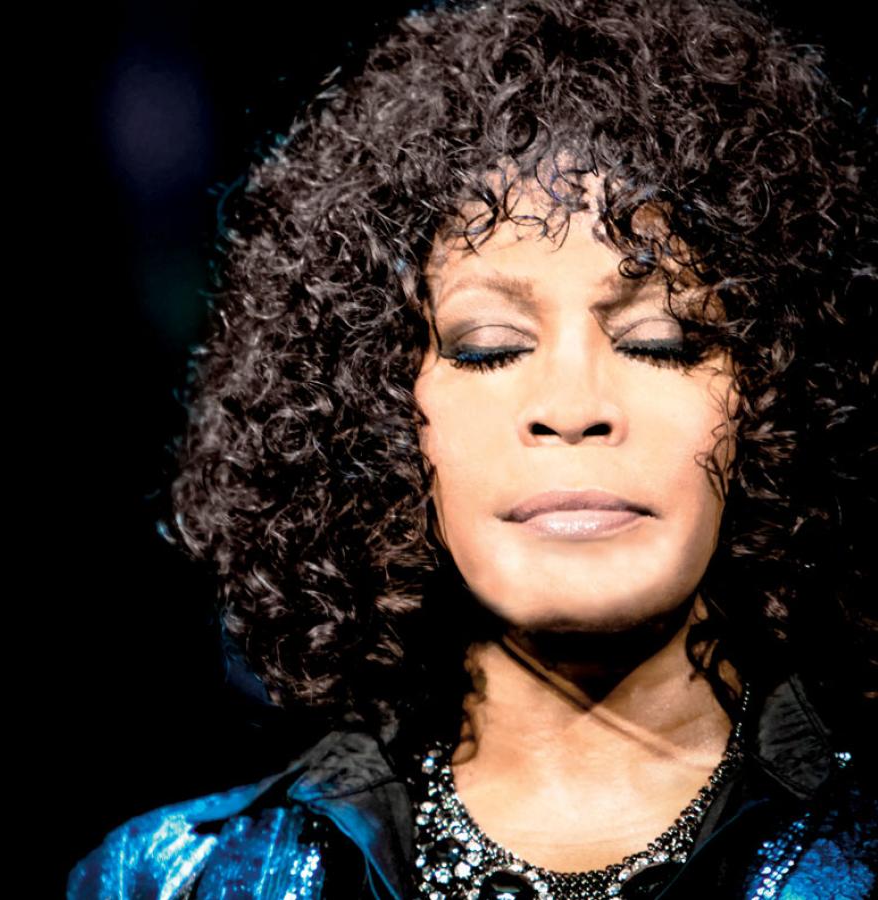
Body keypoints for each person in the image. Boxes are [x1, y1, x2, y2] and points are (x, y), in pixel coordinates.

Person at [69, 0, 878, 896]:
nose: (572, 407)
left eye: (660, 342)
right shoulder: (166, 881)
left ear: (777, 400)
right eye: (489, 347)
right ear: (379, 416)